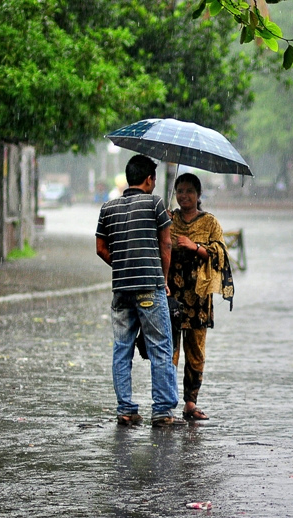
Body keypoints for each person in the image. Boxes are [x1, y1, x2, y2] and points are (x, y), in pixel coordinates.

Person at [95, 154, 185, 428]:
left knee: (122, 349)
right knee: (160, 347)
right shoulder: (155, 204)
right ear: (149, 179)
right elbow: (166, 246)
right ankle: (162, 411)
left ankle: (126, 409)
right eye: (154, 180)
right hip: (150, 287)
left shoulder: (107, 207)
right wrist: (163, 279)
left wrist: (122, 265)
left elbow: (100, 248)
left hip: (121, 290)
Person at [168, 173, 234, 421]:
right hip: (172, 295)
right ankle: (166, 403)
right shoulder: (168, 219)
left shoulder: (210, 223)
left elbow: (221, 255)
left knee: (195, 351)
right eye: (180, 191)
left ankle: (190, 403)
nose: (184, 196)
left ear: (198, 195)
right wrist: (161, 223)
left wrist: (194, 247)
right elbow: (158, 246)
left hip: (199, 298)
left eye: (189, 191)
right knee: (169, 350)